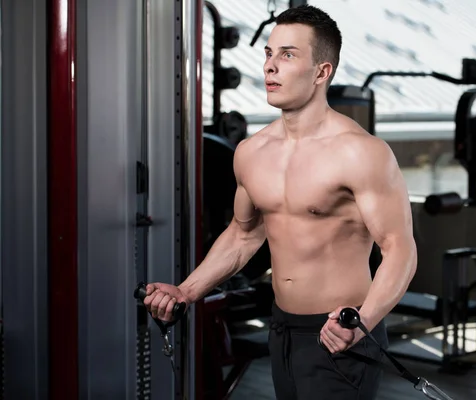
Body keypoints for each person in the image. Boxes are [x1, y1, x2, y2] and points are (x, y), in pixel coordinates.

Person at [143, 4, 417, 399]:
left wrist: (363, 321)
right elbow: (243, 236)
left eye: (287, 54)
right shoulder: (252, 152)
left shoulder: (361, 153)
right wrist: (187, 291)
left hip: (341, 332)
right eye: (269, 54)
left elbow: (400, 250)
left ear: (322, 71)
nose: (270, 66)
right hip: (282, 329)